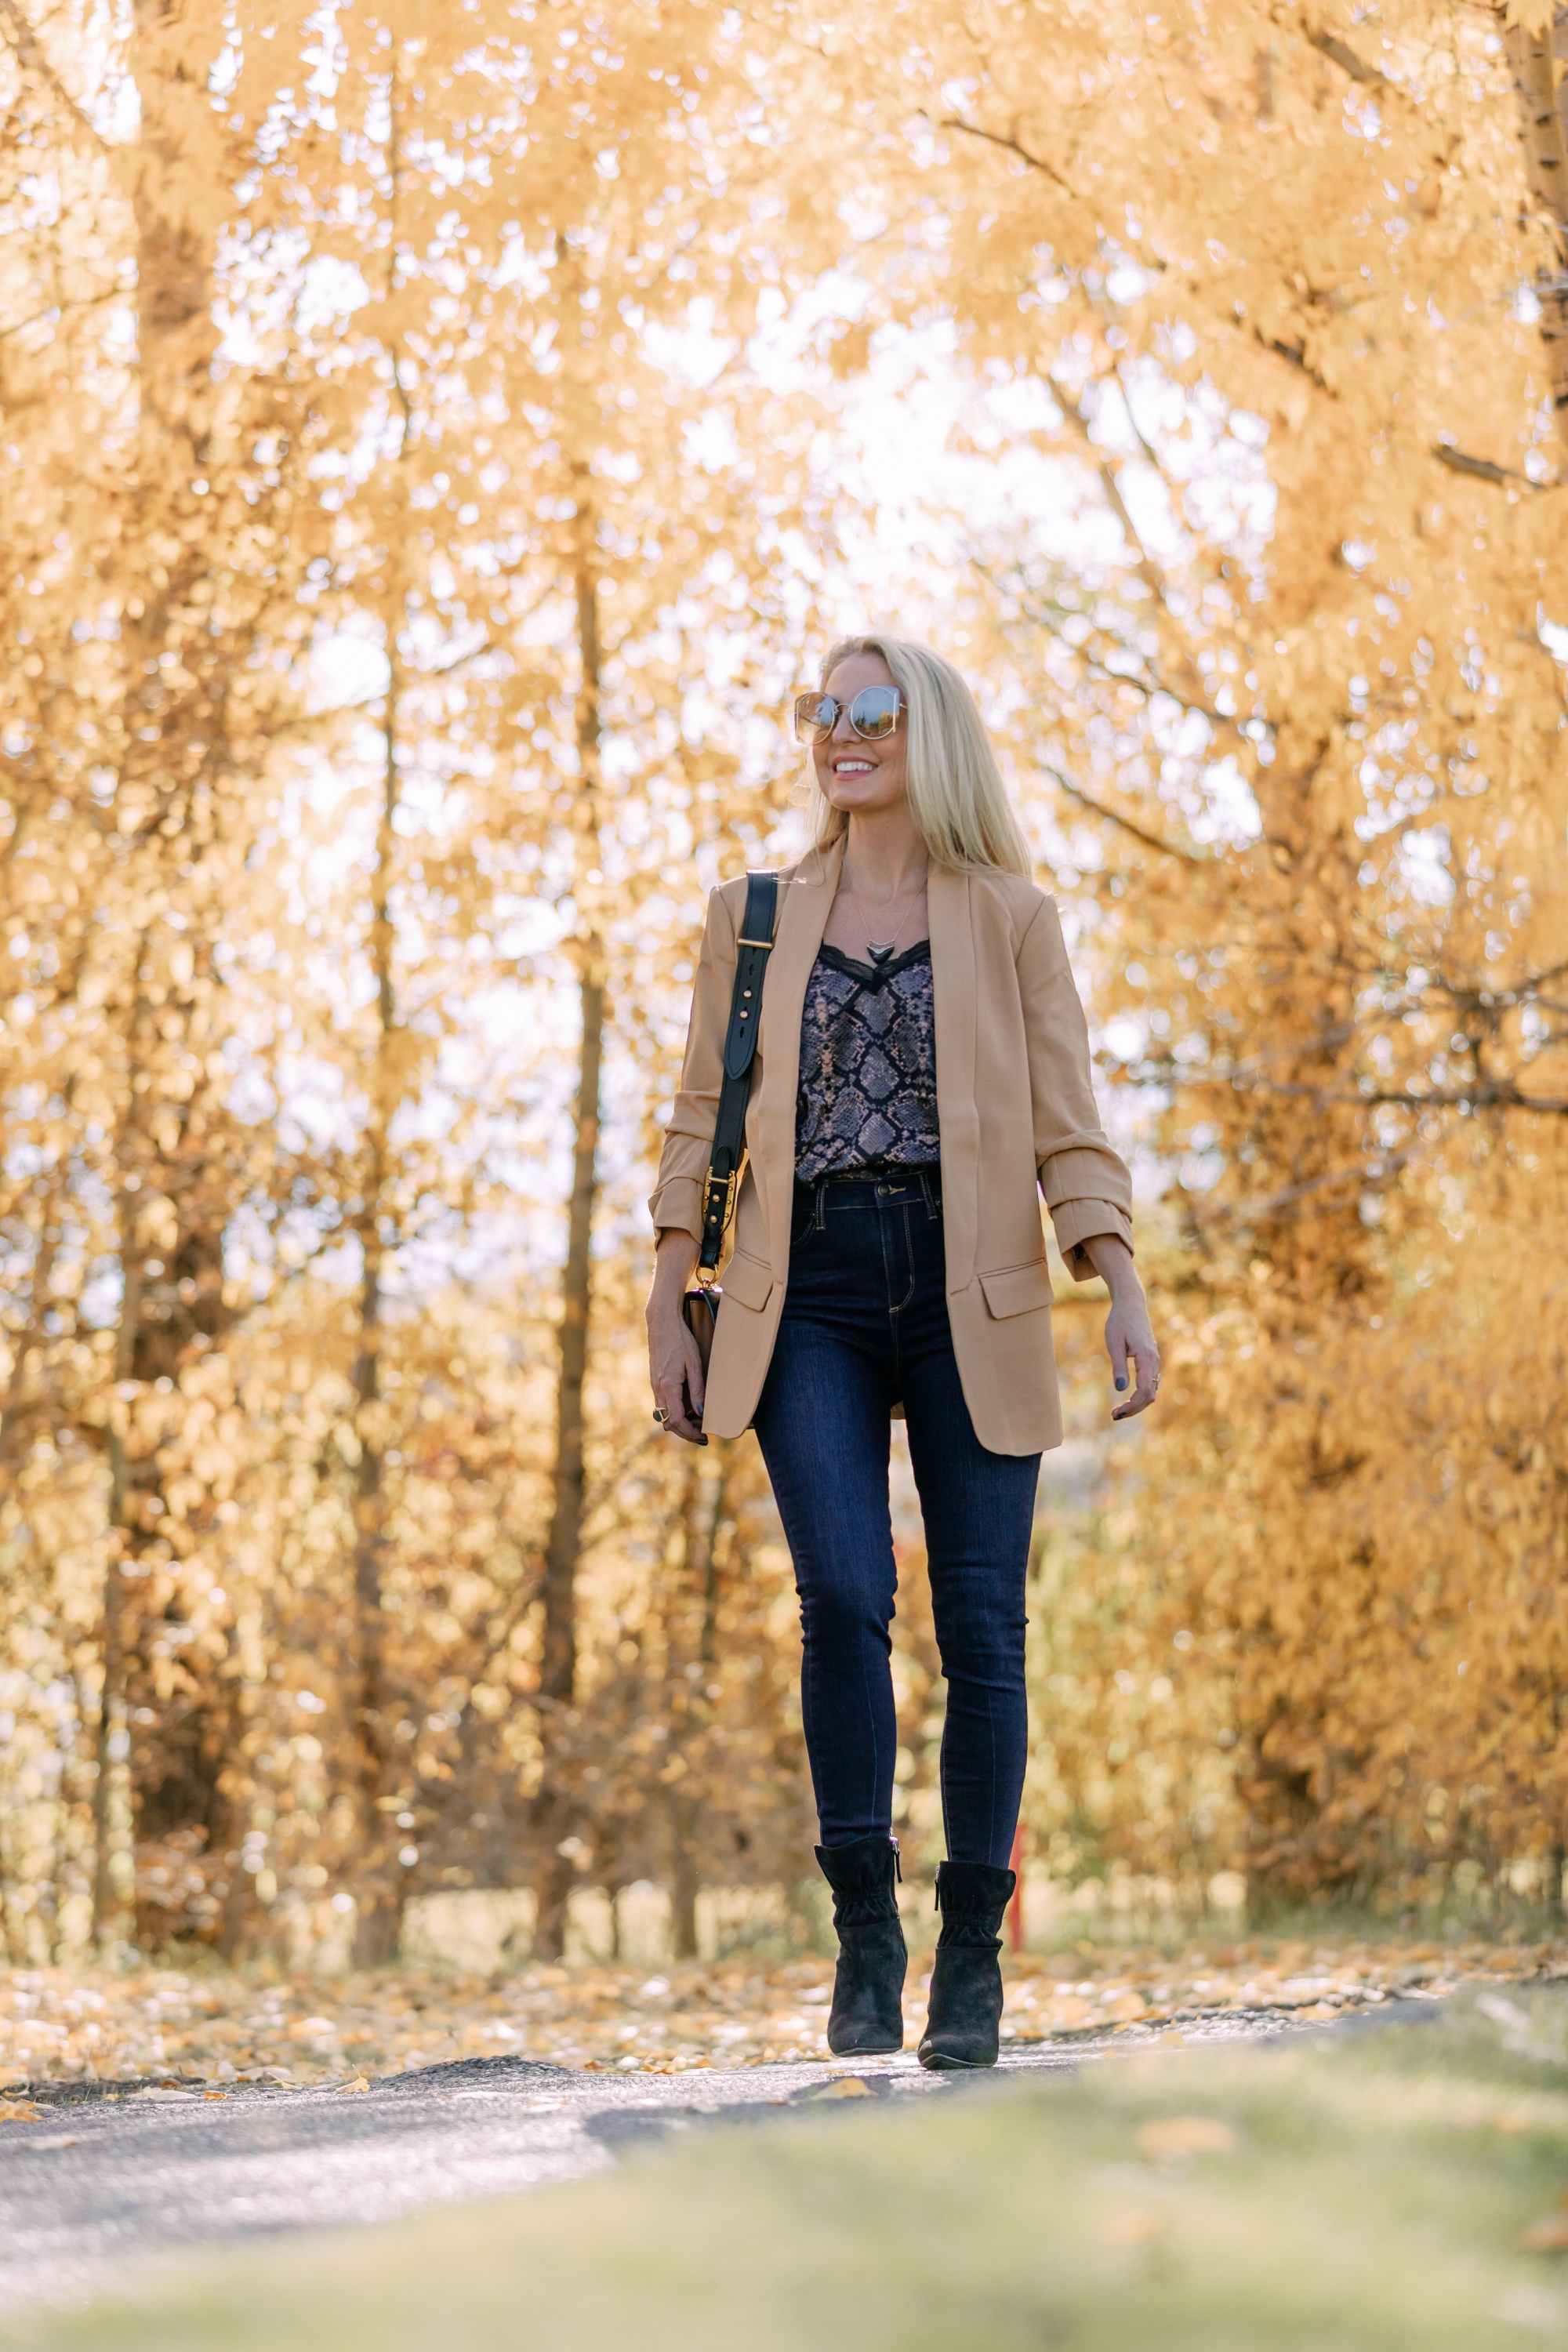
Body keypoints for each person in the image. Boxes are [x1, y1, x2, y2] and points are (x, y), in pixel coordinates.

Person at [645, 633, 1160, 2069]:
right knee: (846, 1599)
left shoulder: (1008, 916)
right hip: (799, 1291)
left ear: (927, 734)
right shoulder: (751, 919)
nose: (841, 735)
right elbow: (701, 1119)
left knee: (985, 1631)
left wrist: (1118, 1280)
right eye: (825, 712)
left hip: (969, 1290)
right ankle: (866, 1937)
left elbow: (1071, 1123)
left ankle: (974, 1962)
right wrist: (666, 1293)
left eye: (871, 712)